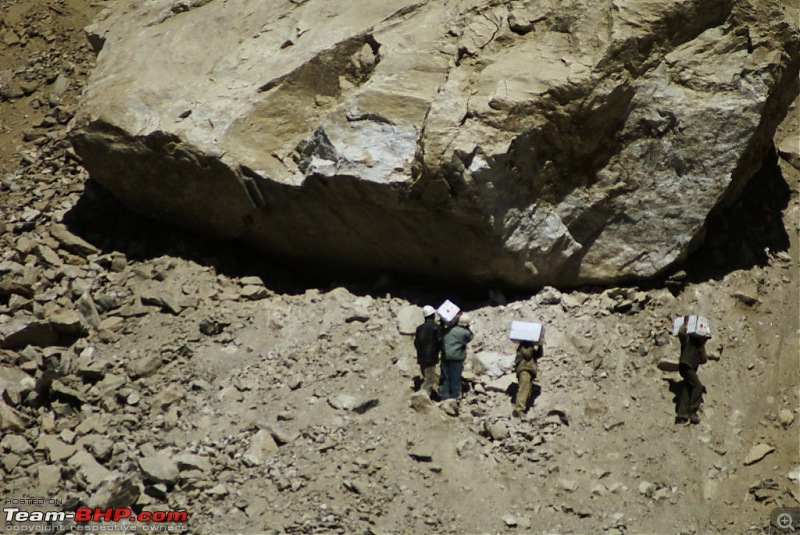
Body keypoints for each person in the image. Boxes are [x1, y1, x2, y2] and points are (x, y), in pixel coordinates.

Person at [676, 323, 709, 424]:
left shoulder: (700, 346)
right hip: (686, 366)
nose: (706, 340)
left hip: (689, 369)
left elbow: (703, 360)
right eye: (705, 337)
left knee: (687, 389)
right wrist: (684, 326)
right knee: (698, 387)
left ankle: (682, 415)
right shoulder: (688, 340)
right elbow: (681, 334)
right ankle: (692, 411)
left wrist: (702, 347)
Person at [440, 312, 474, 402]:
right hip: (456, 358)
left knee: (445, 377)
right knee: (455, 378)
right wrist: (468, 328)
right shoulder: (465, 332)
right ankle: (455, 397)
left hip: (445, 356)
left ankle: (444, 395)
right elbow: (470, 337)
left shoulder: (449, 329)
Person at [414, 305, 443, 398]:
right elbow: (440, 342)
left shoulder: (419, 328)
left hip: (421, 356)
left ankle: (424, 394)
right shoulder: (436, 327)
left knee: (425, 376)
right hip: (431, 357)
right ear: (433, 315)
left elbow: (416, 343)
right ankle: (423, 396)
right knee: (430, 379)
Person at [512, 340, 542, 418]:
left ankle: (522, 409)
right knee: (523, 390)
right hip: (524, 370)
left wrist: (540, 346)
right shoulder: (524, 346)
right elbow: (528, 354)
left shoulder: (530, 347)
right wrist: (532, 345)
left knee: (527, 391)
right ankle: (519, 410)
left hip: (530, 371)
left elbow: (539, 354)